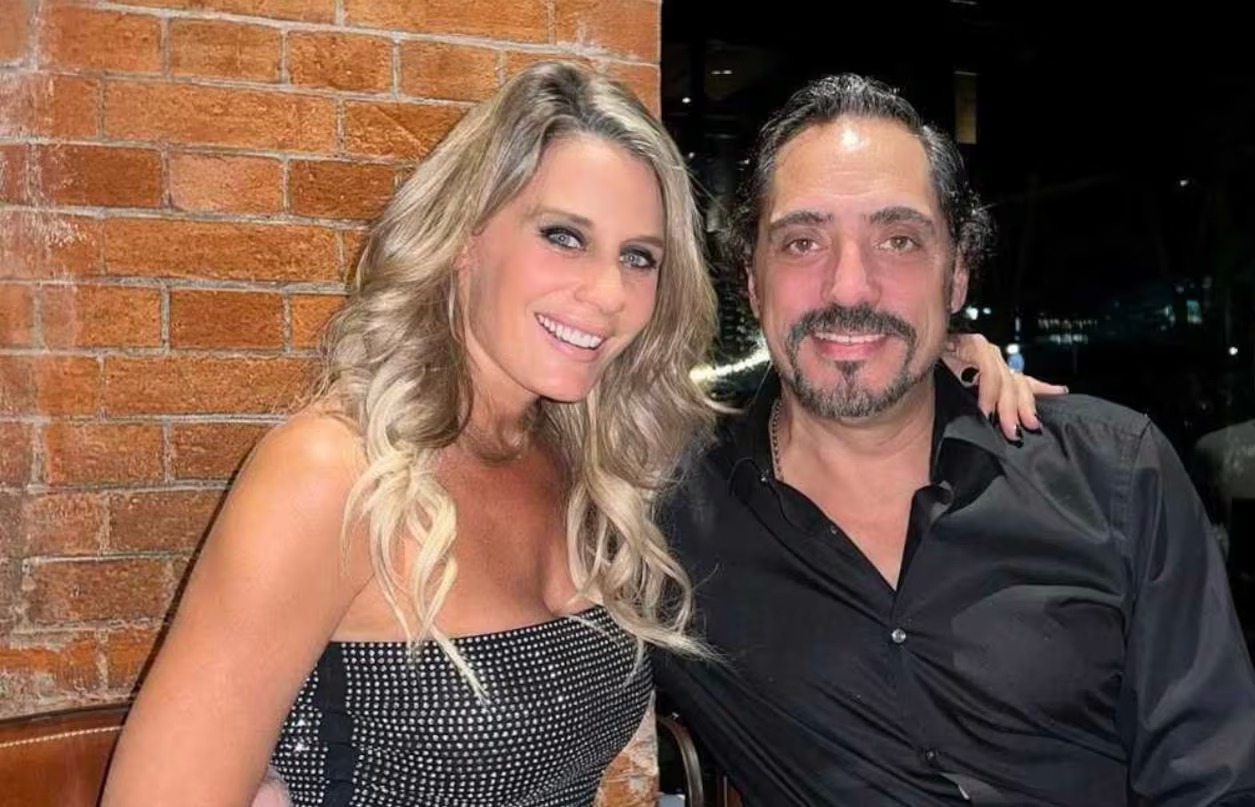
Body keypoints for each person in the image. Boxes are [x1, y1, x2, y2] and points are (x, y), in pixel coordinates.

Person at [101, 62, 1042, 806]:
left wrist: (945, 355)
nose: (606, 293)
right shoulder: (332, 472)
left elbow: (802, 410)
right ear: (466, 236)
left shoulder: (603, 465)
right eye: (563, 236)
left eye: (638, 256)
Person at [655, 74, 1255, 806]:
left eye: (898, 240)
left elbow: (1222, 786)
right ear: (752, 280)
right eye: (803, 242)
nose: (849, 288)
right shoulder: (672, 525)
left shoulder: (1114, 476)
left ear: (955, 274)